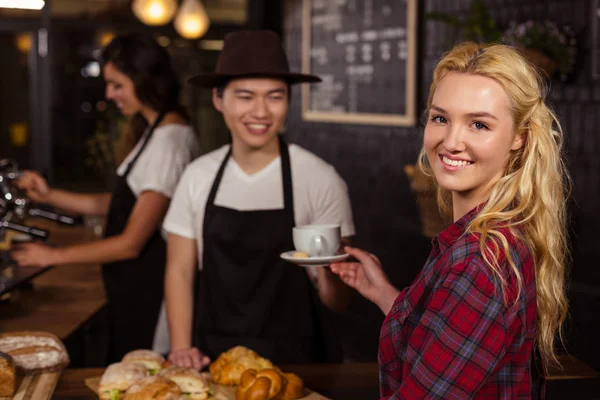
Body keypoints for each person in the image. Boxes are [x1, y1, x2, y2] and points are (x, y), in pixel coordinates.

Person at [331, 42, 569, 398]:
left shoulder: (480, 261)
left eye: (478, 124)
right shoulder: (488, 236)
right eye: (441, 118)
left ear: (519, 137)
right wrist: (385, 294)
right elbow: (449, 344)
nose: (451, 142)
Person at [163, 30, 355, 369]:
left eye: (275, 96)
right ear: (218, 100)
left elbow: (338, 302)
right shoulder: (197, 177)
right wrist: (180, 348)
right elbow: (179, 271)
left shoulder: (319, 178)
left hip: (298, 365)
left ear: (288, 101)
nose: (261, 111)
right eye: (245, 96)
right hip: (213, 360)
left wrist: (332, 269)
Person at [12, 34, 200, 362]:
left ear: (142, 80)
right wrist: (49, 194)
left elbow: (131, 242)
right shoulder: (155, 131)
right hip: (132, 287)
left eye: (117, 85)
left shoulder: (169, 143)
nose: (109, 94)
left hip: (150, 292)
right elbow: (117, 204)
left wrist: (51, 256)